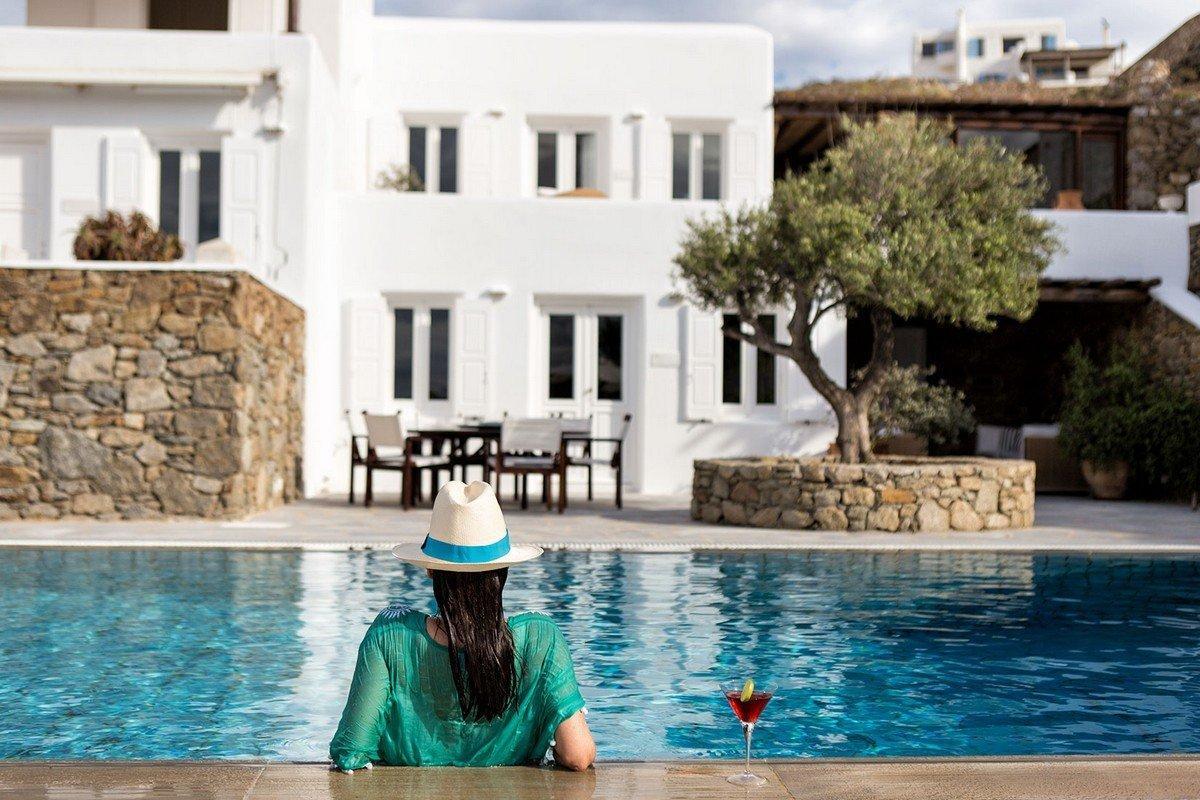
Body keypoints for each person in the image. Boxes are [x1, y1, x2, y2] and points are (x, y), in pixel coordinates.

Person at [329, 480, 596, 771]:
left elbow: (350, 751)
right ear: (503, 570)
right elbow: (577, 756)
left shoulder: (389, 637)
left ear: (430, 570)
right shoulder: (540, 640)